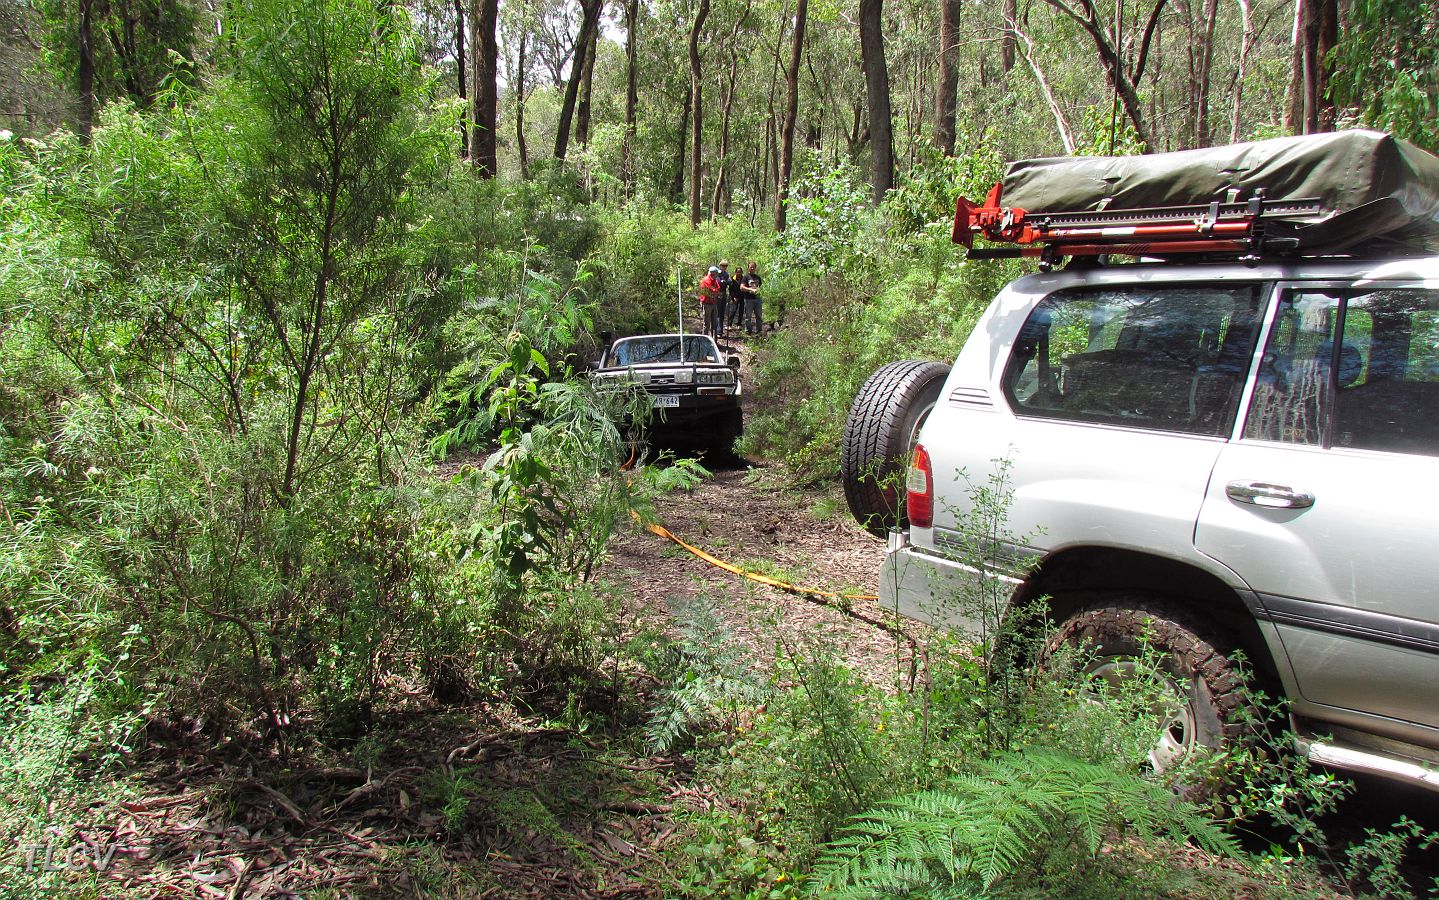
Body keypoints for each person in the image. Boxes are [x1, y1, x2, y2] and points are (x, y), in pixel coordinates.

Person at [737, 260, 763, 335]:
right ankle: (748, 331)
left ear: (755, 268)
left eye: (753, 267)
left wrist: (759, 290)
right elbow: (741, 287)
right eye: (751, 267)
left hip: (757, 299)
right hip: (749, 299)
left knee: (759, 316)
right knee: (748, 316)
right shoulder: (746, 277)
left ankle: (759, 331)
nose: (752, 269)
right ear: (748, 268)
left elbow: (761, 287)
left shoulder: (758, 277)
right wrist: (750, 289)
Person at [697, 266, 722, 336]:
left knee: (715, 322)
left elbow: (718, 288)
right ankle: (705, 338)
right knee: (707, 323)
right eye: (717, 273)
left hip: (713, 303)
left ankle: (714, 339)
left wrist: (716, 291)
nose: (718, 275)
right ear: (713, 273)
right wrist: (716, 291)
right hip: (706, 303)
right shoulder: (706, 280)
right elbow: (712, 290)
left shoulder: (715, 280)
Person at [714, 259, 735, 336]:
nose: (724, 267)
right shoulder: (717, 273)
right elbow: (718, 282)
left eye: (726, 266)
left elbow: (730, 282)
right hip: (718, 294)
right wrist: (724, 282)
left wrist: (725, 282)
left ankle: (720, 330)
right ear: (720, 266)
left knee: (722, 313)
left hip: (724, 294)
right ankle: (717, 330)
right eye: (723, 265)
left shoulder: (726, 274)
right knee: (718, 313)